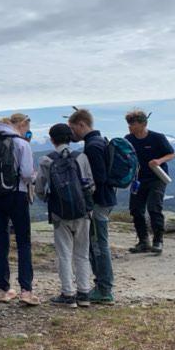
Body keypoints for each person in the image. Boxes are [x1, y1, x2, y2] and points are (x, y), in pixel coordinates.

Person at [34, 124, 95, 309]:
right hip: (83, 212)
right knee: (82, 254)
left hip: (59, 213)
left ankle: (68, 294)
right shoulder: (82, 157)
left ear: (52, 139)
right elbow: (91, 185)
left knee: (64, 254)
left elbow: (39, 188)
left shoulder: (46, 160)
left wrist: (49, 200)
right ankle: (84, 293)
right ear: (70, 138)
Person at [0, 114, 40, 305]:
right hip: (17, 195)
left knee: (2, 241)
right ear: (21, 125)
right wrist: (34, 176)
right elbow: (26, 174)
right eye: (27, 129)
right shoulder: (22, 144)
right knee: (23, 242)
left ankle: (2, 289)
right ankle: (26, 290)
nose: (27, 133)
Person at [69, 109, 116, 305]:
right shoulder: (100, 141)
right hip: (106, 199)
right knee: (98, 243)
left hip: (98, 202)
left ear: (82, 124)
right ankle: (102, 286)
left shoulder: (92, 147)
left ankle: (104, 289)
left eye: (73, 128)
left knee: (98, 245)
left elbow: (99, 177)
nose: (72, 133)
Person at [125, 110, 175, 255]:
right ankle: (143, 242)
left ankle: (158, 241)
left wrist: (159, 161)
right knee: (136, 210)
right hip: (138, 179)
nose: (129, 126)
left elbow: (171, 154)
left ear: (143, 124)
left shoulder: (157, 138)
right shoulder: (128, 139)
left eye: (133, 123)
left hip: (157, 177)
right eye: (129, 123)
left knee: (154, 208)